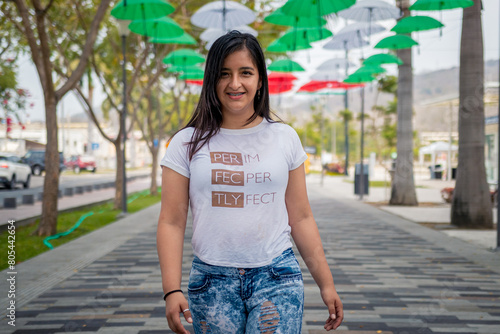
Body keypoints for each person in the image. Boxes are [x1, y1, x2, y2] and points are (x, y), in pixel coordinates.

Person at [157, 31, 343, 334]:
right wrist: (171, 290)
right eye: (224, 74)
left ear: (259, 81)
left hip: (277, 277)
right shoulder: (185, 143)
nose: (235, 83)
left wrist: (327, 284)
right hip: (211, 283)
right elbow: (171, 222)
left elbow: (301, 216)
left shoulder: (285, 138)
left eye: (246, 72)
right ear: (211, 80)